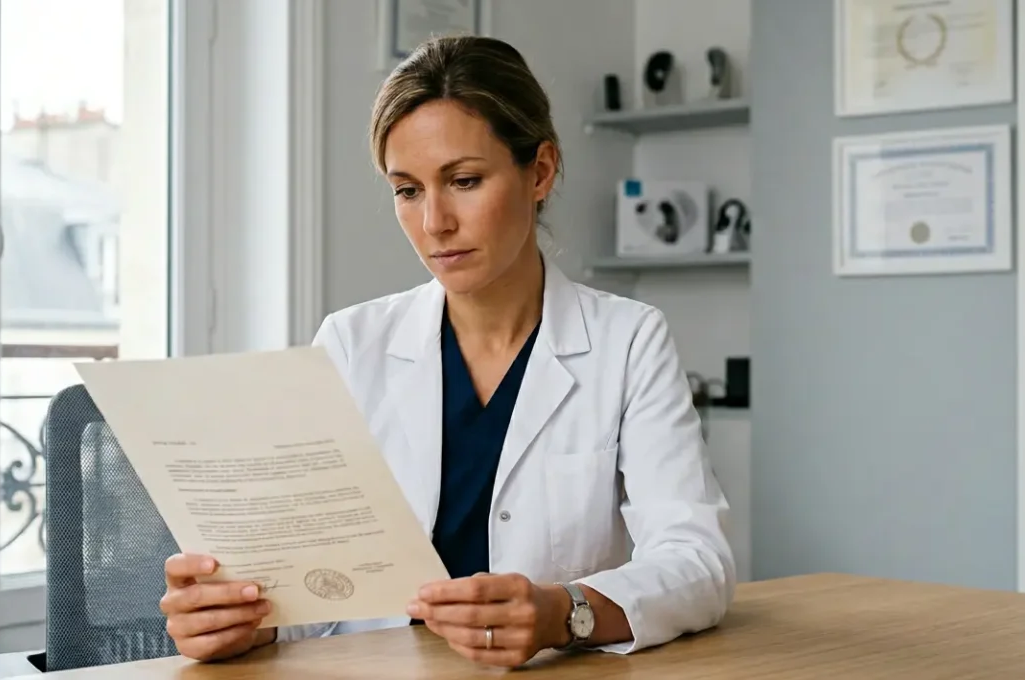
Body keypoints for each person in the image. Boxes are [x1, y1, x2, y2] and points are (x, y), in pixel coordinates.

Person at [158, 35, 735, 667]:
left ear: (540, 171)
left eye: (464, 181)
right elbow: (307, 585)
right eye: (407, 190)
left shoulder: (628, 341)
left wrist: (563, 612)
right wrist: (245, 621)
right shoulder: (350, 345)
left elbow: (696, 560)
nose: (435, 222)